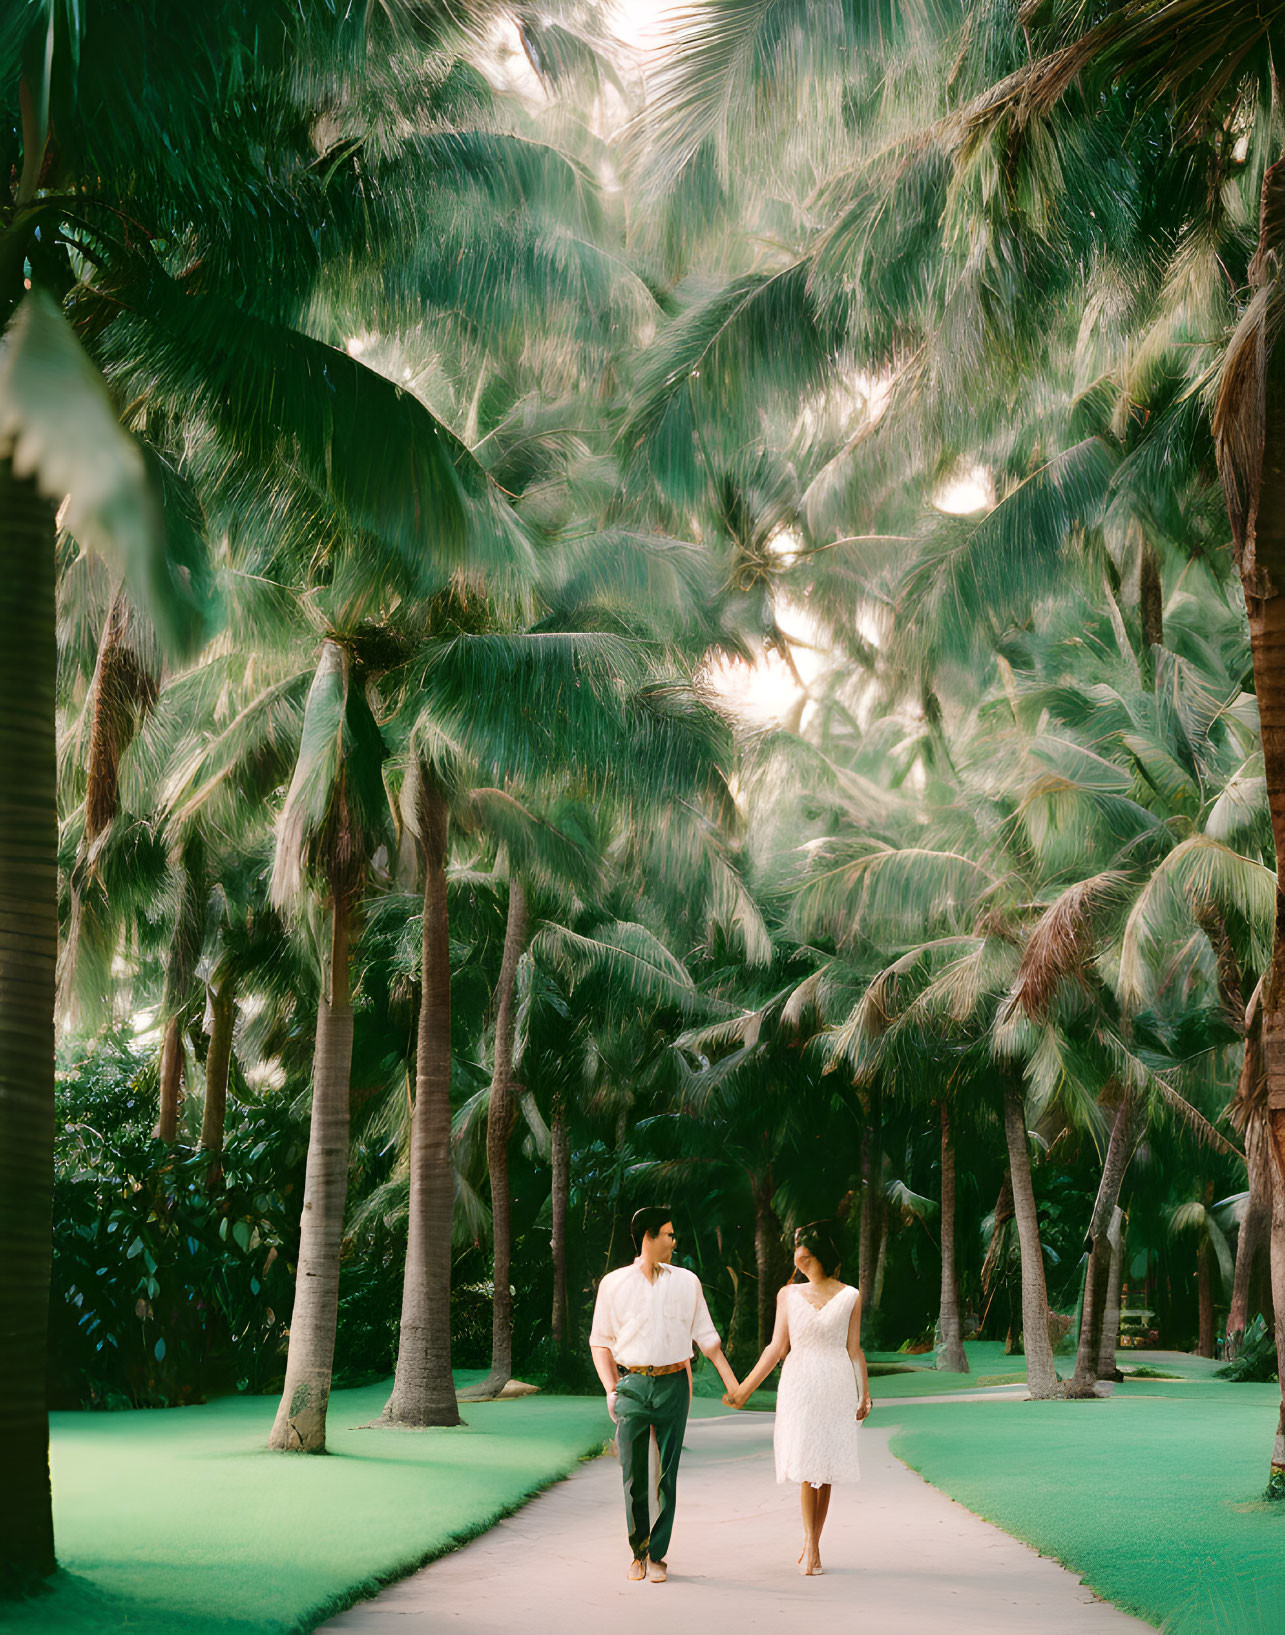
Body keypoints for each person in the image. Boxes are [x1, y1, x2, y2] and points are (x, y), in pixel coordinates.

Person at [589, 1207, 740, 1583]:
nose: (674, 1241)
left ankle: (658, 1556)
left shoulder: (687, 1282)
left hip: (675, 1385)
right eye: (669, 1235)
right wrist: (611, 1389)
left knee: (666, 1477)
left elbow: (708, 1340)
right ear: (648, 1236)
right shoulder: (614, 1284)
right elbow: (600, 1342)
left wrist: (734, 1386)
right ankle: (637, 1554)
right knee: (633, 1477)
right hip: (632, 1386)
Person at [723, 1218, 872, 1576]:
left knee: (828, 1467)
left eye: (801, 1245)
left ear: (818, 1250)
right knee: (808, 1465)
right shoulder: (787, 1295)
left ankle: (813, 1541)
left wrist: (864, 1393)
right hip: (800, 1384)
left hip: (836, 1383)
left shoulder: (850, 1295)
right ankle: (813, 1546)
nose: (796, 1252)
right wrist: (743, 1389)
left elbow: (854, 1350)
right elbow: (776, 1349)